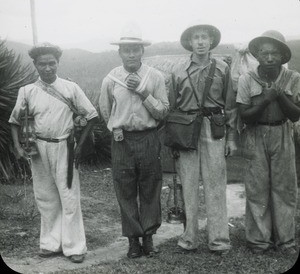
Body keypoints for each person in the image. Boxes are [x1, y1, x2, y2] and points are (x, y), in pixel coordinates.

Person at [9, 42, 98, 263]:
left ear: (58, 63)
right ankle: (50, 243)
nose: (48, 68)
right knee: (45, 197)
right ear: (35, 65)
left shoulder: (70, 88)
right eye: (42, 64)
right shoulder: (27, 91)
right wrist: (19, 147)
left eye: (52, 63)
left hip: (64, 147)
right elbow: (14, 121)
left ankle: (75, 247)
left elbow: (92, 116)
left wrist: (79, 146)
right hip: (38, 149)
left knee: (69, 197)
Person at [99, 24, 169, 258]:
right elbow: (105, 110)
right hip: (122, 141)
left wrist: (143, 93)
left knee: (150, 187)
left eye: (135, 50)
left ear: (142, 51)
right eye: (126, 50)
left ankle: (148, 238)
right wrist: (116, 127)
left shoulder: (154, 76)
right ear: (119, 52)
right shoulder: (111, 79)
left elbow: (162, 111)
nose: (131, 54)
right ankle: (132, 240)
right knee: (125, 190)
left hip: (148, 138)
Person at [168, 23, 237, 254]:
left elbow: (230, 106)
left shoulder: (222, 68)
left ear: (210, 41)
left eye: (204, 37)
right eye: (195, 38)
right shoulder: (178, 70)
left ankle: (219, 240)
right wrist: (174, 140)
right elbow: (172, 107)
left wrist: (230, 139)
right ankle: (189, 239)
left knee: (216, 185)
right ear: (189, 42)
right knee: (188, 184)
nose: (199, 42)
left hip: (213, 127)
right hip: (187, 129)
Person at [236, 30, 299, 254]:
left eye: (275, 53)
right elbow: (245, 115)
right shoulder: (246, 79)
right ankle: (259, 241)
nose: (270, 58)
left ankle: (286, 241)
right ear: (257, 55)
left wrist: (280, 95)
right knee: (256, 188)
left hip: (282, 133)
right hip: (255, 134)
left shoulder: (293, 78)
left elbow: (295, 115)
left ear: (283, 56)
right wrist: (266, 99)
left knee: (285, 188)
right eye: (264, 53)